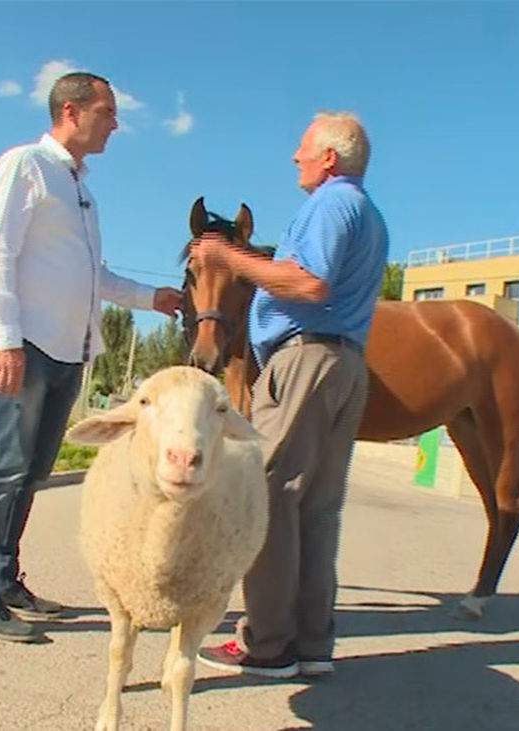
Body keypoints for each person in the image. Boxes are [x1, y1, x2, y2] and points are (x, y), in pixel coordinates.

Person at [0, 71, 185, 643]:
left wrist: (148, 297)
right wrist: (2, 334)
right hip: (24, 346)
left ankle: (6, 579)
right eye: (108, 111)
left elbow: (91, 276)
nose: (115, 123)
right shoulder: (25, 167)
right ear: (72, 111)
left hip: (66, 354)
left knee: (30, 474)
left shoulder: (79, 188)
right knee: (2, 469)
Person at [191, 111, 389, 677]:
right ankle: (310, 642)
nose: (294, 157)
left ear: (329, 157)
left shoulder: (330, 204)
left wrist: (228, 258)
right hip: (345, 362)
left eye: (302, 148)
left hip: (304, 359)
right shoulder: (369, 214)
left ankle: (268, 643)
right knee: (318, 510)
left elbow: (308, 283)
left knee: (271, 495)